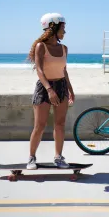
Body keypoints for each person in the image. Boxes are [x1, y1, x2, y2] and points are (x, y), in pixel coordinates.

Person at [26, 13, 75, 170]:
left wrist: (70, 90)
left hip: (61, 86)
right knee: (39, 125)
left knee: (60, 124)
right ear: (53, 27)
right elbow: (39, 70)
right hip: (44, 87)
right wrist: (49, 89)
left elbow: (64, 71)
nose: (65, 31)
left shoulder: (64, 48)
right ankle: (31, 158)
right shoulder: (41, 47)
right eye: (63, 28)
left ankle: (58, 157)